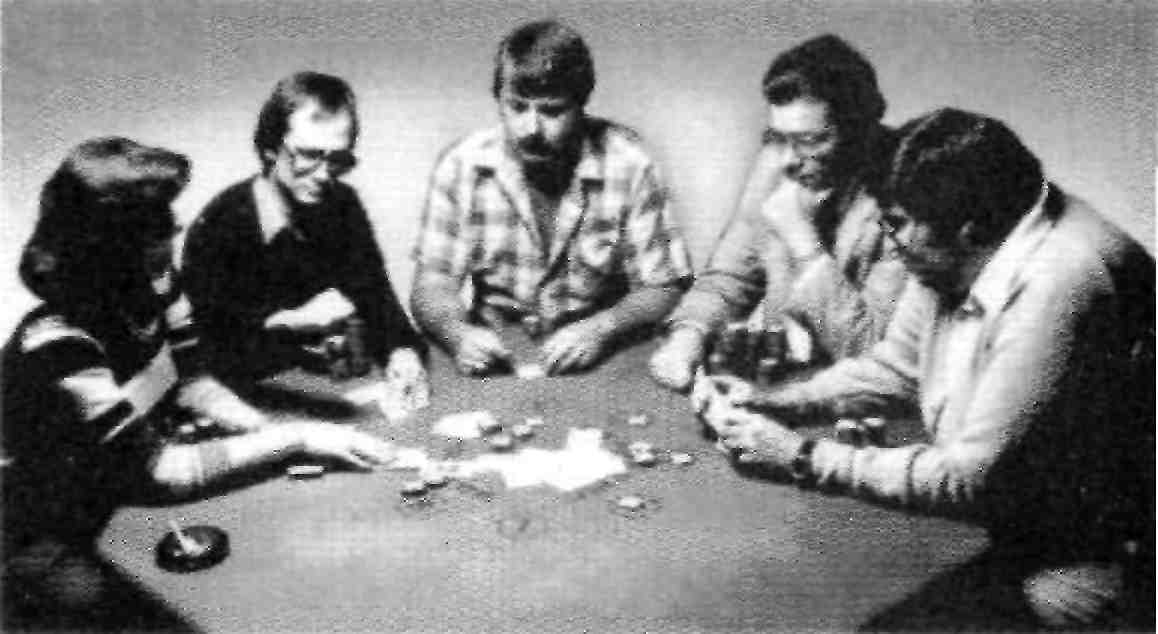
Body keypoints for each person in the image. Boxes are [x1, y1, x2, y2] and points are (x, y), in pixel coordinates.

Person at [695, 109, 1154, 629]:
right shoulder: (968, 242)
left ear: (969, 231)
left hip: (1084, 562)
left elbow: (969, 478)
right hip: (1016, 518)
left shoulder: (1060, 282)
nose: (887, 238)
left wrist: (799, 458)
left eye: (896, 223)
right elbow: (897, 367)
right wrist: (777, 402)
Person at [2, 138, 398, 630]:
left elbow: (195, 384)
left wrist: (264, 430)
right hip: (45, 532)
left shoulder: (156, 282)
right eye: (151, 232)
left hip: (115, 487)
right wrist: (296, 437)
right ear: (102, 252)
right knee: (126, 608)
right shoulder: (58, 345)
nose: (172, 235)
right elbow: (158, 470)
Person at [411, 20, 692, 376]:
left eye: (552, 111)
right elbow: (432, 284)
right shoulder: (461, 165)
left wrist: (602, 328)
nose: (531, 129)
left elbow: (665, 286)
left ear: (580, 104)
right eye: (517, 107)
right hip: (501, 351)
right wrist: (457, 333)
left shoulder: (630, 162)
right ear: (499, 99)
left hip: (602, 351)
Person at [650, 34, 906, 391]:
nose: (787, 159)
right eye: (779, 137)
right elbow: (729, 276)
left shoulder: (907, 193)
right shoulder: (778, 161)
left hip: (869, 399)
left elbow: (873, 353)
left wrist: (801, 238)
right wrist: (688, 337)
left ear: (860, 130)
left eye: (810, 140)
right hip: (784, 383)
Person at [182, 71, 427, 389]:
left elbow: (378, 300)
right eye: (310, 154)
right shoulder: (219, 226)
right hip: (255, 393)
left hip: (331, 385)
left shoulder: (342, 203)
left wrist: (402, 351)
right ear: (270, 147)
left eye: (338, 159)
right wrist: (289, 323)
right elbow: (212, 355)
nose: (324, 175)